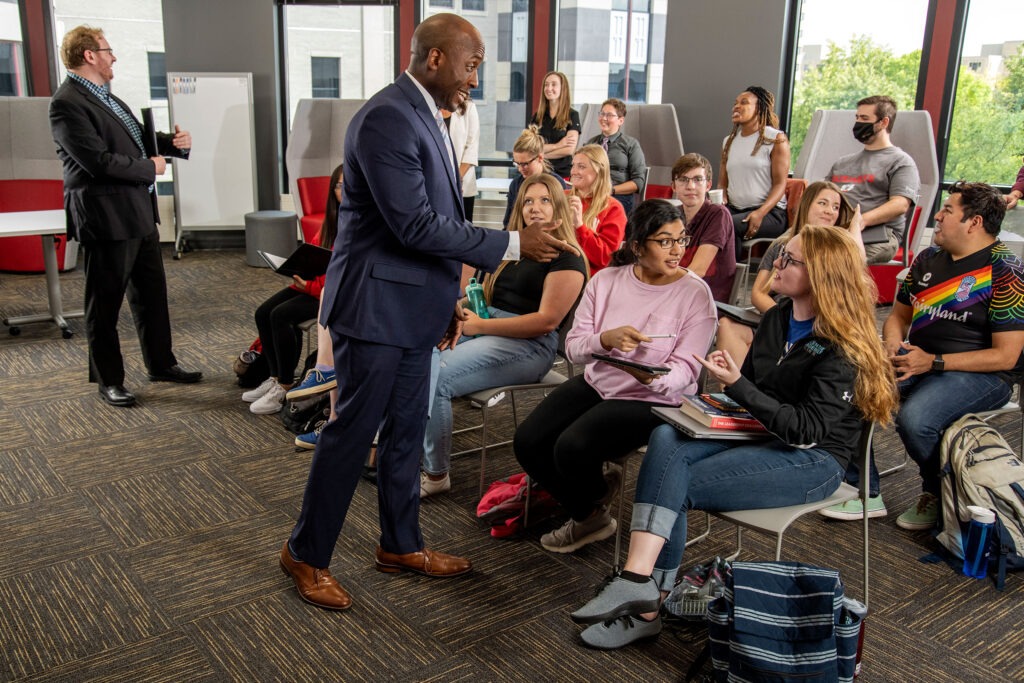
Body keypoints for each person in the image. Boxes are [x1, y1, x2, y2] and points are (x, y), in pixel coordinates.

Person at [279, 13, 577, 612]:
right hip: (374, 310)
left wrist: (446, 302)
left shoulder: (429, 115)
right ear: (434, 58)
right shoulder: (389, 117)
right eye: (470, 66)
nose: (475, 80)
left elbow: (431, 223)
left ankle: (400, 543)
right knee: (352, 434)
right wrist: (512, 244)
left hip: (412, 308)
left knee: (405, 434)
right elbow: (414, 225)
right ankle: (305, 555)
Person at [569, 224, 898, 650]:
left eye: (789, 259)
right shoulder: (780, 316)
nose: (775, 263)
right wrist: (722, 399)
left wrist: (737, 385)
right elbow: (761, 391)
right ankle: (640, 586)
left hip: (814, 461)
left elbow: (805, 430)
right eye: (781, 254)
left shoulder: (842, 346)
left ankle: (645, 596)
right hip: (761, 433)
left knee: (674, 481)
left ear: (820, 275)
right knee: (668, 436)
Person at [514, 199, 717, 554]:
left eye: (681, 240)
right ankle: (592, 510)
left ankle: (587, 507)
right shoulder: (606, 281)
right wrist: (604, 341)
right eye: (665, 241)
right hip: (600, 381)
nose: (677, 251)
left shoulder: (695, 294)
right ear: (637, 246)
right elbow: (574, 348)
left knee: (571, 447)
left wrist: (653, 378)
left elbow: (688, 370)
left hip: (655, 399)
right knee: (528, 441)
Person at [49, 25, 202, 408]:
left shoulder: (108, 98)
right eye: (108, 50)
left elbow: (134, 139)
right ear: (89, 55)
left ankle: (161, 363)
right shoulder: (67, 103)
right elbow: (97, 162)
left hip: (137, 212)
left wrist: (172, 145)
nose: (114, 57)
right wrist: (152, 168)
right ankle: (109, 380)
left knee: (151, 296)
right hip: (106, 218)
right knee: (105, 304)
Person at [421, 174, 588, 497]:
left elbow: (545, 322)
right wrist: (454, 312)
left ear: (558, 207)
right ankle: (397, 449)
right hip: (485, 325)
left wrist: (478, 326)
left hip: (529, 345)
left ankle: (436, 472)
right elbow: (481, 295)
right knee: (417, 358)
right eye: (528, 201)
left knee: (439, 379)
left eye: (544, 201)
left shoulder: (568, 257)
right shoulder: (513, 247)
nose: (535, 208)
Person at [881, 182, 1024, 531]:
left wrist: (935, 362)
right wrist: (891, 344)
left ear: (973, 222)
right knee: (849, 391)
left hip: (982, 374)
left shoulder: (1006, 271)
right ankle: (864, 489)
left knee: (916, 420)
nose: (938, 217)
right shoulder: (928, 259)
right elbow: (898, 317)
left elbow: (1006, 357)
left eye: (947, 210)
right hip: (918, 359)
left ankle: (936, 491)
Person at [716, 180, 864, 365]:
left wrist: (855, 227)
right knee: (727, 327)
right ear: (806, 205)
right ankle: (734, 391)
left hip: (816, 333)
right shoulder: (781, 244)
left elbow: (857, 269)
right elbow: (758, 293)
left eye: (835, 207)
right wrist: (781, 321)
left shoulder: (837, 253)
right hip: (776, 318)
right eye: (822, 203)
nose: (829, 211)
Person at [245, 163, 343, 415]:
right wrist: (295, 268)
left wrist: (309, 285)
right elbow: (315, 251)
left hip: (331, 293)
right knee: (263, 312)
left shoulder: (358, 223)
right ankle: (274, 376)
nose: (344, 190)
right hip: (312, 283)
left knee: (281, 315)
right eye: (339, 185)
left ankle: (285, 385)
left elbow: (339, 275)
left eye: (350, 185)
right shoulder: (332, 219)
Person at [828, 95, 920, 264]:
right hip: (834, 229)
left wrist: (860, 221)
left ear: (883, 122)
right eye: (857, 118)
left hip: (878, 235)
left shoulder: (901, 162)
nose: (858, 123)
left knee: (835, 261)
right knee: (782, 246)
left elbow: (900, 204)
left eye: (864, 118)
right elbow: (822, 194)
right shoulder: (842, 163)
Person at [720, 86, 791, 259]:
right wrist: (720, 201)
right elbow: (722, 184)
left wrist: (760, 213)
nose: (736, 106)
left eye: (744, 103)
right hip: (735, 210)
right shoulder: (728, 142)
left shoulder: (776, 138)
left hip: (770, 213)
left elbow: (780, 184)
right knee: (708, 221)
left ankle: (727, 280)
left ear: (760, 109)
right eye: (735, 103)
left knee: (725, 225)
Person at [670, 153, 735, 301]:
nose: (690, 186)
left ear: (708, 185)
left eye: (698, 180)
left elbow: (697, 271)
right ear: (673, 186)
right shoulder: (674, 215)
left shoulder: (718, 214)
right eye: (683, 180)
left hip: (705, 300)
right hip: (677, 293)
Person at [569, 145, 628, 272]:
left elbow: (605, 259)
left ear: (599, 170)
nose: (573, 171)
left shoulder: (613, 209)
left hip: (586, 277)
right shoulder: (562, 196)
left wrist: (580, 226)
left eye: (581, 166)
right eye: (573, 165)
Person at [584, 98, 646, 215]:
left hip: (618, 195)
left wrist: (610, 190)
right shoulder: (590, 143)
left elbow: (638, 182)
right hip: (592, 194)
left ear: (621, 120)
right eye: (602, 113)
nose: (603, 118)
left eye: (609, 115)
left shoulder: (631, 144)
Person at [503, 126, 569, 228]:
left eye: (525, 164)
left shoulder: (556, 183)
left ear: (540, 158)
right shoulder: (515, 185)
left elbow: (563, 221)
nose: (521, 169)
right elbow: (508, 223)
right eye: (517, 164)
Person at [532, 71, 581, 179]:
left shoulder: (572, 115)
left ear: (562, 88)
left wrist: (541, 155)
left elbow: (569, 150)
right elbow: (532, 148)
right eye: (546, 84)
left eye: (553, 84)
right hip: (540, 172)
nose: (549, 88)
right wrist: (558, 145)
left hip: (563, 175)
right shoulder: (538, 116)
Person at [444, 99, 479, 221]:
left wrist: (456, 178)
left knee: (465, 229)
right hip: (438, 183)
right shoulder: (431, 107)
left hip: (463, 182)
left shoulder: (469, 107)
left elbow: (472, 147)